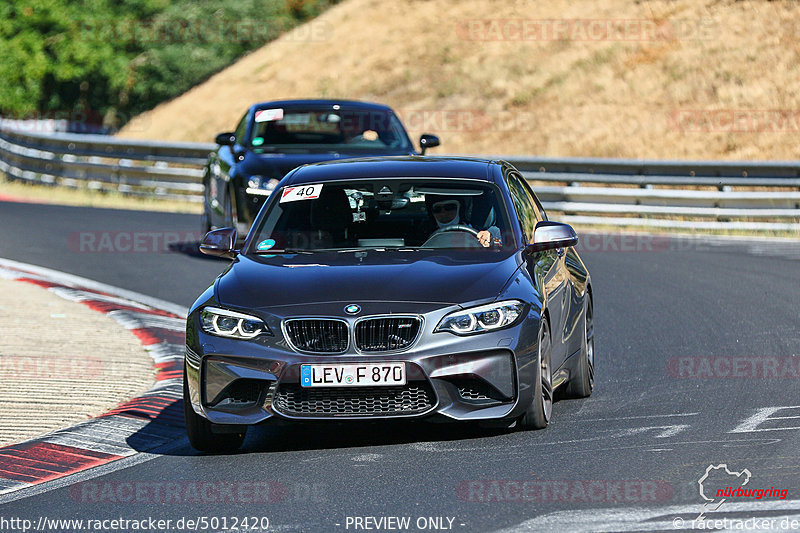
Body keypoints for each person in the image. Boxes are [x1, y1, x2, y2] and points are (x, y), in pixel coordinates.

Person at [426, 196, 500, 247]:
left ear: (460, 210)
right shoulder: (422, 235)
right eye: (437, 210)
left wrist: (490, 236)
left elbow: (502, 237)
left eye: (449, 208)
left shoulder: (481, 233)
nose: (443, 213)